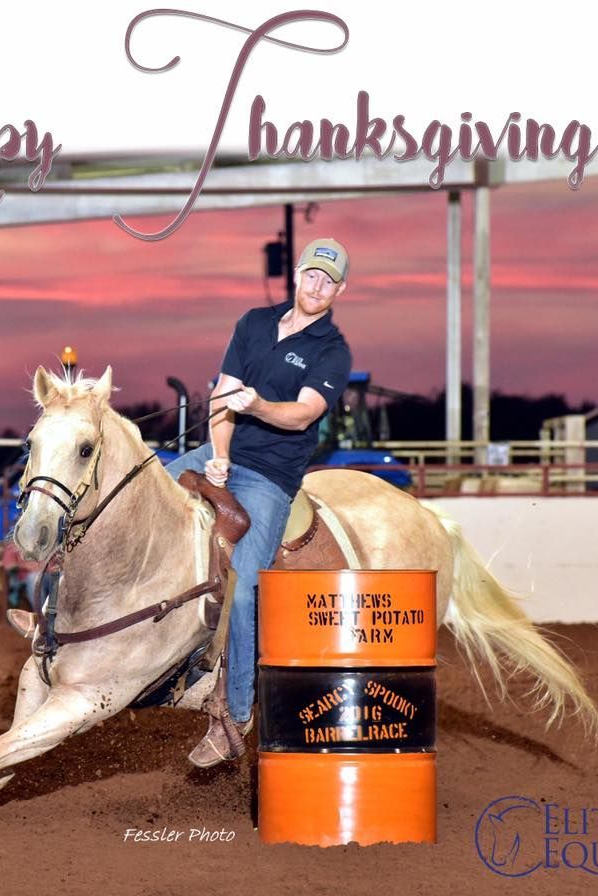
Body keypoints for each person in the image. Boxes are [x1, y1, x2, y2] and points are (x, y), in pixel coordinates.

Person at [166, 237, 353, 767]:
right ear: (297, 274)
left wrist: (260, 405)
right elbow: (222, 396)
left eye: (328, 281)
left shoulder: (332, 351)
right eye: (311, 275)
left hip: (270, 477)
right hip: (221, 451)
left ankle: (236, 715)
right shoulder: (252, 322)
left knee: (246, 588)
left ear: (340, 290)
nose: (317, 286)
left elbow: (299, 415)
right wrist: (218, 457)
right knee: (144, 488)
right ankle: (62, 611)